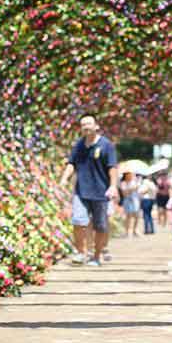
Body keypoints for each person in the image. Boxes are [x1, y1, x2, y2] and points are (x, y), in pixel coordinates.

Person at [58, 114, 118, 266]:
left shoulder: (106, 145)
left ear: (96, 126)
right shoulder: (78, 146)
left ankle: (96, 256)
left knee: (100, 226)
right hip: (81, 191)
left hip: (101, 192)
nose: (86, 127)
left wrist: (113, 186)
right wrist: (64, 178)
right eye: (83, 124)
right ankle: (80, 253)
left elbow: (112, 167)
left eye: (89, 124)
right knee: (78, 221)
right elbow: (71, 163)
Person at [119, 171, 141, 237]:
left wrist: (134, 188)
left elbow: (137, 191)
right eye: (130, 174)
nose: (131, 175)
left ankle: (135, 230)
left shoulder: (135, 182)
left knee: (137, 215)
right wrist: (132, 189)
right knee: (128, 216)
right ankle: (126, 231)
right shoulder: (123, 183)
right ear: (126, 175)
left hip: (135, 200)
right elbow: (124, 193)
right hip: (127, 200)